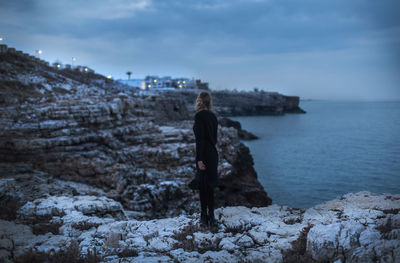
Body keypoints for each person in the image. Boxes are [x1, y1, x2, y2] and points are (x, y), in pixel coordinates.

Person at [192, 91, 219, 227]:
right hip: (213, 154)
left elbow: (200, 140)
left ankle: (204, 217)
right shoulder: (213, 116)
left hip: (204, 154)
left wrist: (200, 159)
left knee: (203, 186)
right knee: (210, 186)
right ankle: (212, 217)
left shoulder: (199, 116)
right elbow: (214, 138)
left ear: (200, 101)